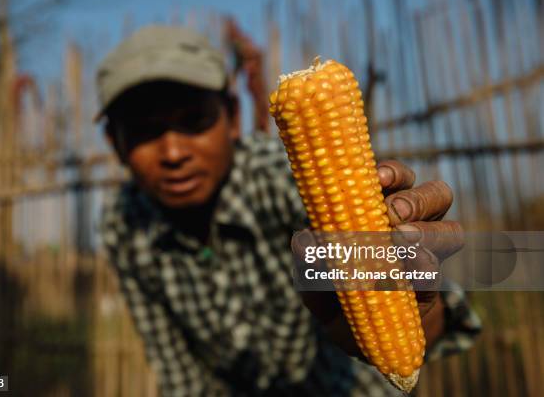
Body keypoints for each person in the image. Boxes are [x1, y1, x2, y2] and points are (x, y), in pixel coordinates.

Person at [96, 25, 481, 396]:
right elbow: (179, 372)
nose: (174, 154)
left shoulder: (280, 177)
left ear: (232, 118)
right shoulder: (124, 227)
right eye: (145, 131)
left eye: (194, 121)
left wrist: (414, 311)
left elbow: (437, 316)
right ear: (116, 143)